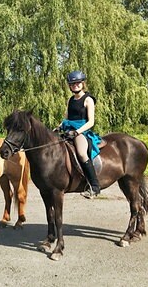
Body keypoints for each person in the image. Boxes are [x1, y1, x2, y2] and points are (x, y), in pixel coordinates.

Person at [56, 70, 102, 199]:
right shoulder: (70, 100)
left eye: (77, 83)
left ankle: (94, 186)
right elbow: (66, 117)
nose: (75, 85)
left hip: (82, 130)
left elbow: (91, 121)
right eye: (72, 84)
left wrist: (77, 132)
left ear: (82, 83)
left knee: (81, 153)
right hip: (69, 129)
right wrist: (59, 127)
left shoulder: (88, 100)